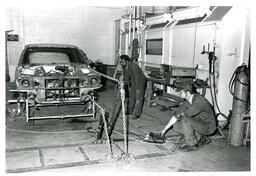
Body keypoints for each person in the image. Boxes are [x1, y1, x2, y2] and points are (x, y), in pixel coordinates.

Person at [159, 81, 217, 151]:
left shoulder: (198, 100)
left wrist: (180, 115)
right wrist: (163, 130)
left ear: (188, 92)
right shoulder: (187, 101)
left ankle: (192, 145)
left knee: (185, 120)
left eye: (181, 92)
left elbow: (185, 115)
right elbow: (176, 116)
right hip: (200, 122)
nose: (179, 93)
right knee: (176, 125)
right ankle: (200, 137)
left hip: (208, 126)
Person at [119, 55, 146, 119]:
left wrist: (137, 89)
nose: (121, 63)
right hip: (133, 81)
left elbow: (137, 77)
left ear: (127, 61)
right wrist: (126, 85)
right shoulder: (124, 66)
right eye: (120, 62)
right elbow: (126, 76)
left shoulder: (133, 66)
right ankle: (130, 110)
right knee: (131, 96)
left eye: (122, 62)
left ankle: (137, 114)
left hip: (140, 82)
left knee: (138, 98)